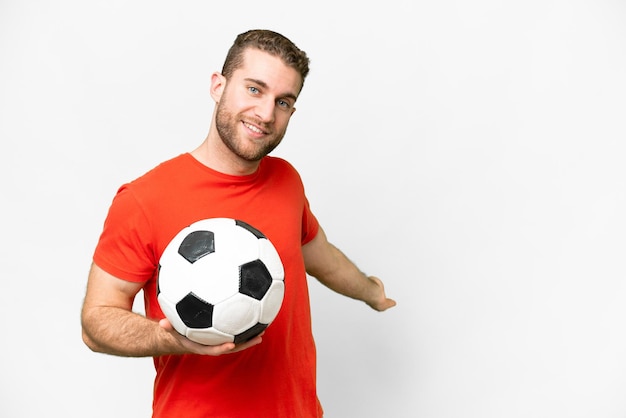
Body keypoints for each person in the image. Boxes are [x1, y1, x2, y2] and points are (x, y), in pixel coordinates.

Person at [81, 29, 396, 418]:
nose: (266, 114)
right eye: (254, 89)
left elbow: (319, 255)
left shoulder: (286, 180)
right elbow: (95, 324)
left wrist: (371, 292)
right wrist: (180, 341)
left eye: (282, 101)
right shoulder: (144, 199)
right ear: (218, 85)